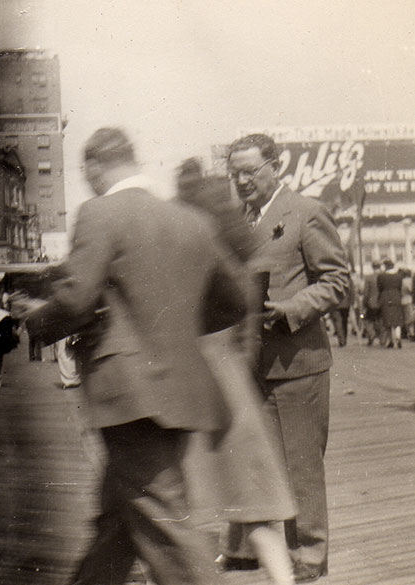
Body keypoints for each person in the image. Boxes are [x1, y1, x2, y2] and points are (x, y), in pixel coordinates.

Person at [12, 127, 247, 585]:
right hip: (182, 390)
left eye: (87, 172)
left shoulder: (101, 212)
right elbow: (235, 300)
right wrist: (173, 330)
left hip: (128, 393)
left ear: (95, 165)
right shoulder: (191, 220)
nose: (88, 181)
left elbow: (77, 298)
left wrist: (35, 320)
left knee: (165, 524)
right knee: (119, 521)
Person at [222, 133, 350, 583]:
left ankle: (309, 557)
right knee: (249, 460)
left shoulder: (307, 213)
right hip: (248, 364)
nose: (241, 181)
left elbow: (338, 281)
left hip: (297, 363)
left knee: (300, 466)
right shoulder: (238, 221)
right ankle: (240, 549)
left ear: (276, 166)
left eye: (250, 172)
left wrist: (291, 309)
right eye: (234, 173)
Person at [176, 157, 297, 585]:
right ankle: (284, 581)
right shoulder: (239, 252)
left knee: (183, 501)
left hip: (191, 380)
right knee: (256, 497)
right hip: (229, 377)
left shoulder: (191, 251)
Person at [377, 259, 404, 348]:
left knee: (387, 320)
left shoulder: (381, 276)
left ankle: (390, 340)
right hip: (396, 297)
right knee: (397, 320)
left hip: (385, 298)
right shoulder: (399, 276)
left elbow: (379, 288)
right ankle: (398, 337)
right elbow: (400, 287)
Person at [363, 260, 382, 345]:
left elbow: (366, 292)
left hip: (371, 302)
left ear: (372, 267)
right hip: (381, 302)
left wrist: (364, 302)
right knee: (380, 320)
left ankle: (372, 334)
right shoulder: (383, 276)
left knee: (368, 320)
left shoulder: (369, 277)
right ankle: (382, 338)